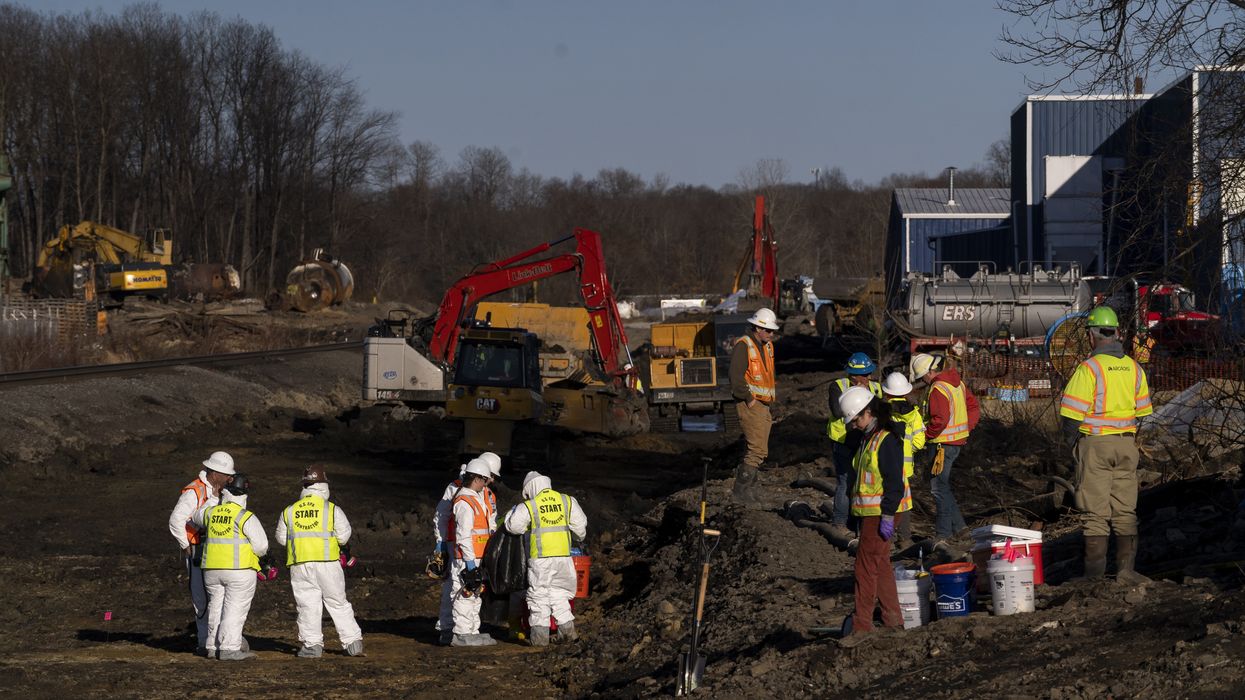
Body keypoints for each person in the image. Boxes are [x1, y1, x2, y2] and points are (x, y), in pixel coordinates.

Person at [1059, 306, 1152, 581]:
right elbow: (1143, 413)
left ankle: (1093, 578)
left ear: (1091, 336)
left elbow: (1070, 416)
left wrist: (1074, 446)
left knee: (1094, 515)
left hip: (1095, 445)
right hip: (1127, 446)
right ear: (1117, 334)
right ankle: (1126, 571)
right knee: (1125, 511)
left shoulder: (1089, 369)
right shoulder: (1134, 369)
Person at [838, 387, 910, 636]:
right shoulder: (868, 438)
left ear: (868, 412)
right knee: (880, 565)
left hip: (880, 512)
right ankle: (893, 620)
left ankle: (862, 628)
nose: (855, 425)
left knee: (865, 567)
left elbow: (894, 482)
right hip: (871, 512)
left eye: (857, 419)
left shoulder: (885, 439)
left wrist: (888, 515)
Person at [275, 465, 364, 658]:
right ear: (323, 485)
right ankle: (353, 644)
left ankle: (312, 646)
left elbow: (281, 539)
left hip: (300, 565)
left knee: (307, 605)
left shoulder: (289, 511)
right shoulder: (331, 509)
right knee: (337, 602)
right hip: (328, 564)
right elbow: (344, 536)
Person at [504, 471, 588, 647]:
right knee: (560, 595)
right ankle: (569, 633)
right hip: (564, 558)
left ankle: (540, 639)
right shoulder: (567, 501)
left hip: (540, 560)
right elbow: (580, 529)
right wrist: (575, 539)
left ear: (530, 489)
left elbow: (513, 527)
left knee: (539, 597)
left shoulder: (531, 505)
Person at [167, 450, 235, 657]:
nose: (230, 479)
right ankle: (204, 642)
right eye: (226, 475)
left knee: (217, 596)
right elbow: (176, 520)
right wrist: (185, 544)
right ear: (215, 473)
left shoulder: (221, 490)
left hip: (216, 549)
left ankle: (218, 640)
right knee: (202, 599)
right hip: (198, 550)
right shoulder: (194, 491)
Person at [194, 473, 268, 660]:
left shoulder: (210, 513)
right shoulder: (244, 516)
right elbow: (261, 547)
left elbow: (196, 516)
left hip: (211, 570)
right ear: (244, 494)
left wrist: (215, 498)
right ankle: (229, 648)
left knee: (216, 607)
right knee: (235, 608)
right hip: (239, 570)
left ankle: (212, 646)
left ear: (225, 492)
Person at [432, 452, 501, 643]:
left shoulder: (485, 494)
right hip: (461, 548)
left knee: (471, 590)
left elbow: (489, 521)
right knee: (457, 589)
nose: (491, 480)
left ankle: (467, 630)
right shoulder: (458, 491)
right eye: (489, 476)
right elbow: (443, 517)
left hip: (477, 551)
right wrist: (441, 542)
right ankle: (450, 629)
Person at [910, 352, 980, 539]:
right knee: (942, 486)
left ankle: (943, 534)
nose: (922, 381)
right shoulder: (957, 384)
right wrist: (966, 428)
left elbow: (939, 420)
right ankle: (960, 528)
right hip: (954, 442)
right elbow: (973, 407)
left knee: (938, 488)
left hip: (942, 444)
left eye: (921, 377)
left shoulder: (937, 389)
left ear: (926, 373)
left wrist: (925, 436)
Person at [826, 352, 883, 537]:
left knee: (863, 484)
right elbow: (837, 411)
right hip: (843, 442)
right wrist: (857, 395)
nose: (868, 378)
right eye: (864, 375)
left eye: (869, 374)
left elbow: (881, 410)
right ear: (853, 376)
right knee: (845, 482)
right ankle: (840, 522)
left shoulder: (875, 388)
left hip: (866, 443)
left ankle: (859, 523)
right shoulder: (838, 386)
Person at [728, 307, 779, 505]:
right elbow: (735, 377)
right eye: (769, 330)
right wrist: (748, 398)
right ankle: (741, 491)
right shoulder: (744, 346)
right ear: (758, 328)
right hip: (751, 403)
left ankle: (749, 490)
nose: (772, 334)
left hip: (763, 404)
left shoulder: (766, 346)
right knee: (756, 449)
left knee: (761, 450)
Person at [882, 372, 925, 547]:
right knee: (904, 502)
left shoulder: (882, 412)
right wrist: (909, 449)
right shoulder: (914, 414)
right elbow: (919, 442)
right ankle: (905, 538)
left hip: (884, 464)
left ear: (888, 392)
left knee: (886, 499)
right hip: (905, 467)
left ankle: (888, 538)